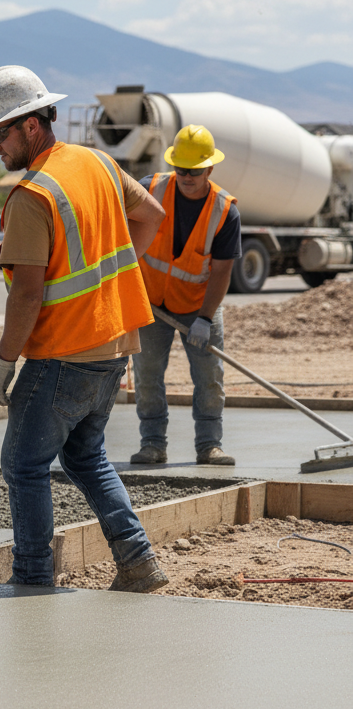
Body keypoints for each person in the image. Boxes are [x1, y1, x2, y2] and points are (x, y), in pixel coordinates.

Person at [0, 65, 169, 591]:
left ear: (31, 126)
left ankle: (33, 577)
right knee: (86, 457)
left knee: (23, 465)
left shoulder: (33, 196)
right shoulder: (98, 163)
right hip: (112, 346)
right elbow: (151, 215)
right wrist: (115, 281)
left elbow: (28, 293)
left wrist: (3, 363)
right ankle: (138, 563)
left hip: (61, 355)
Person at [130, 125, 241, 466]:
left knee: (209, 379)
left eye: (194, 171)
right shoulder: (149, 188)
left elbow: (222, 271)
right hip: (151, 304)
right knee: (147, 376)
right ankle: (152, 443)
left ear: (209, 168)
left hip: (198, 307)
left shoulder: (224, 212)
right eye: (181, 169)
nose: (187, 177)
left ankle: (209, 445)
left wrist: (205, 319)